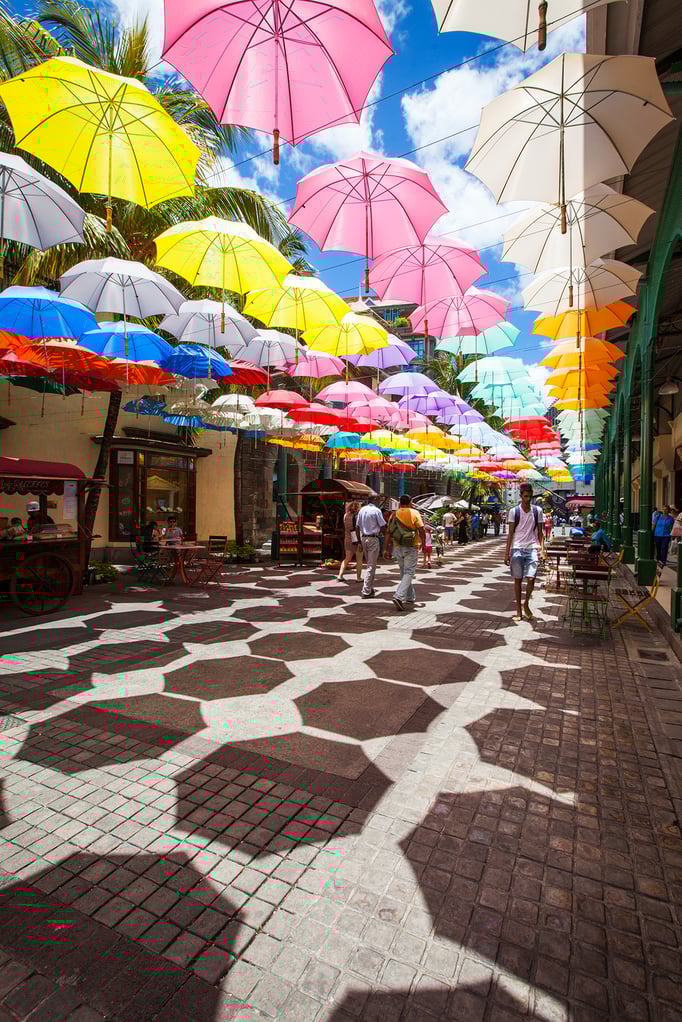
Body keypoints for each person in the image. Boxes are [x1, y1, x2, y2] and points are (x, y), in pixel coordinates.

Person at [505, 483, 545, 622]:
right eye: (525, 496)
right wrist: (506, 553)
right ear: (521, 496)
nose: (527, 499)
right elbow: (510, 534)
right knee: (517, 580)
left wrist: (542, 550)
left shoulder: (538, 511)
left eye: (530, 496)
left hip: (532, 548)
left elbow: (540, 532)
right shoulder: (513, 512)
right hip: (517, 548)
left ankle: (526, 604)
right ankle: (518, 610)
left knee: (531, 578)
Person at [385, 494, 426, 611]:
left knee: (404, 572)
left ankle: (410, 596)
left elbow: (388, 532)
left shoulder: (394, 514)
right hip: (410, 546)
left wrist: (385, 549)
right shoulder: (414, 513)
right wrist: (423, 542)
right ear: (410, 502)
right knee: (409, 572)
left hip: (397, 547)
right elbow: (421, 529)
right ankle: (398, 596)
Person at [356, 498, 386, 599]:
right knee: (371, 565)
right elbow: (382, 525)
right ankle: (366, 590)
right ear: (375, 500)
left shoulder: (362, 510)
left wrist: (359, 541)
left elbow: (357, 527)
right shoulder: (377, 511)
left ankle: (369, 588)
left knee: (370, 564)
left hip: (363, 538)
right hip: (373, 538)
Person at [337, 501, 363, 583]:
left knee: (347, 558)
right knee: (359, 559)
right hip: (356, 539)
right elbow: (358, 529)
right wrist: (359, 541)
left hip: (347, 538)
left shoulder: (345, 515)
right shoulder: (358, 516)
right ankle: (359, 578)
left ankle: (340, 575)